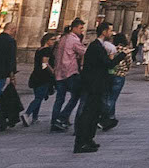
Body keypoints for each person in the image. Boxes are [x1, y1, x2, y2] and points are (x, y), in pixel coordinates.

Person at [75, 21, 123, 153]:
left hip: (97, 85)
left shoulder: (98, 46)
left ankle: (89, 139)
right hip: (93, 85)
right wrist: (122, 56)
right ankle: (81, 143)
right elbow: (108, 64)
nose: (111, 33)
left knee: (94, 113)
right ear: (104, 32)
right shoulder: (96, 46)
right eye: (110, 31)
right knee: (88, 113)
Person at [49, 17, 86, 131]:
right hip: (70, 72)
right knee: (76, 96)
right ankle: (62, 117)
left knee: (59, 98)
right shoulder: (74, 40)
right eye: (80, 28)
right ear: (74, 28)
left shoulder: (63, 38)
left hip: (59, 72)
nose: (82, 31)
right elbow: (84, 52)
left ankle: (55, 121)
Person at [21, 31, 58, 127]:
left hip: (35, 75)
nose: (54, 42)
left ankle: (35, 118)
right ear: (47, 40)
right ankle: (27, 114)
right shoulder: (47, 51)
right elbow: (44, 64)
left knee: (38, 97)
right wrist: (53, 71)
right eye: (52, 40)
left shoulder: (39, 49)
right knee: (39, 98)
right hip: (43, 77)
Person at [101, 32, 133, 130]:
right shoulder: (125, 50)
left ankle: (110, 116)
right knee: (112, 98)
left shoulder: (110, 48)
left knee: (107, 96)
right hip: (120, 75)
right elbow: (129, 63)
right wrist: (125, 70)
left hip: (109, 74)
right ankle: (106, 118)